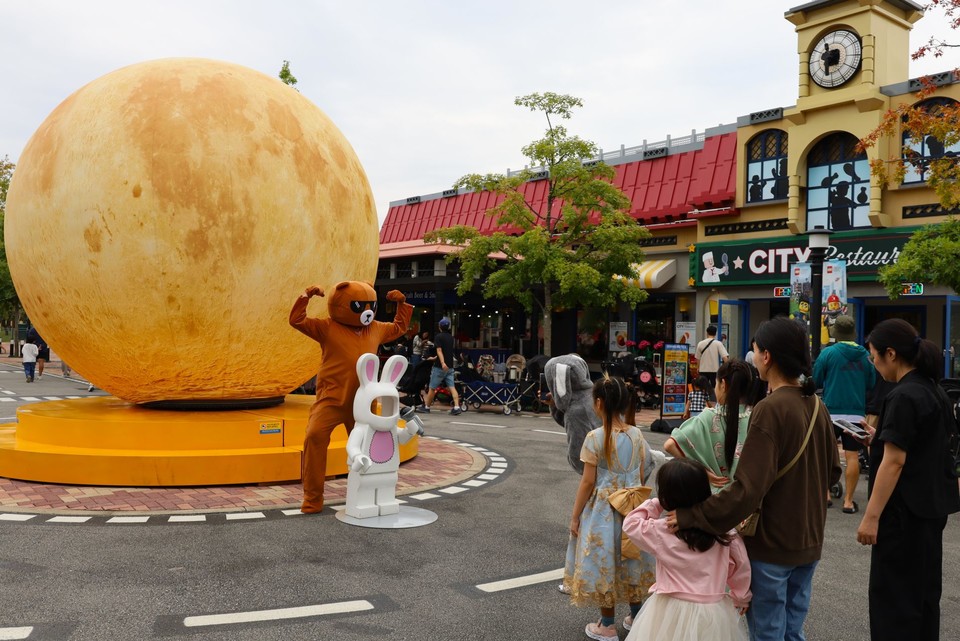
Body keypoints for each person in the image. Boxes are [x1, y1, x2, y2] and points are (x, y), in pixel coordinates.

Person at [668, 317, 841, 641]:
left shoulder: (770, 409)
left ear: (767, 356)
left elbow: (748, 489)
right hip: (809, 541)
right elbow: (833, 471)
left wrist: (693, 515)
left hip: (773, 545)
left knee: (768, 633)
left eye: (756, 349)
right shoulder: (817, 405)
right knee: (792, 631)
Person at [856, 319, 960, 641]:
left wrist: (870, 518)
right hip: (929, 511)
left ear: (891, 354)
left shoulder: (902, 396)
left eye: (873, 357)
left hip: (901, 516)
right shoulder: (934, 390)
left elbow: (896, 461)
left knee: (894, 604)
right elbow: (921, 447)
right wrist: (881, 438)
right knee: (924, 598)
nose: (874, 365)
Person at [562, 375, 657, 641]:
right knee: (631, 559)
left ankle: (607, 625)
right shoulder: (637, 434)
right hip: (634, 507)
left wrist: (575, 516)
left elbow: (588, 482)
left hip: (604, 511)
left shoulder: (595, 437)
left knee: (607, 562)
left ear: (600, 403)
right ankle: (636, 616)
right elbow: (640, 473)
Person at [622, 458, 751, 641]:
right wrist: (741, 596)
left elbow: (631, 523)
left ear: (667, 495)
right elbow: (740, 565)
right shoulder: (723, 531)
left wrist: (658, 503)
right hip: (712, 610)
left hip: (668, 608)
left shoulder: (661, 530)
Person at [812, 314, 875, 513]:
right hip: (856, 414)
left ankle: (826, 495)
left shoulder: (828, 353)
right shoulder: (865, 355)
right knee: (852, 456)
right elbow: (872, 383)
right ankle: (848, 502)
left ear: (835, 333)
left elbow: (816, 380)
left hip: (830, 413)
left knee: (825, 455)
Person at [665, 359, 754, 492]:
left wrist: (704, 472)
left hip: (714, 500)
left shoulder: (707, 417)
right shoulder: (756, 417)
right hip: (747, 501)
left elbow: (670, 445)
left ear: (723, 384)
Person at [416, 318, 462, 415]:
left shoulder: (438, 337)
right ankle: (457, 407)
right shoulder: (451, 337)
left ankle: (427, 407)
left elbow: (439, 350)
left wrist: (442, 362)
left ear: (440, 326)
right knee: (452, 386)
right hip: (450, 366)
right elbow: (447, 351)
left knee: (432, 387)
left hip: (440, 366)